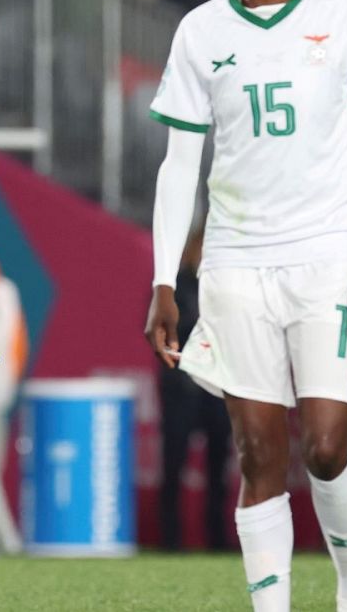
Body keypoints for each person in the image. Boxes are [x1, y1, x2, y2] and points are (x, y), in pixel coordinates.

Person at [145, 0, 347, 612]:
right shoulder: (200, 30)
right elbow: (179, 164)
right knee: (258, 454)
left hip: (328, 253)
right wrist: (165, 280)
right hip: (233, 265)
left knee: (324, 448)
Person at [157, 230, 232, 551]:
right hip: (181, 388)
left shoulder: (226, 287)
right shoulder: (173, 286)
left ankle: (217, 538)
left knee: (218, 467)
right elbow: (164, 332)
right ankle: (170, 540)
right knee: (174, 464)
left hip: (215, 389)